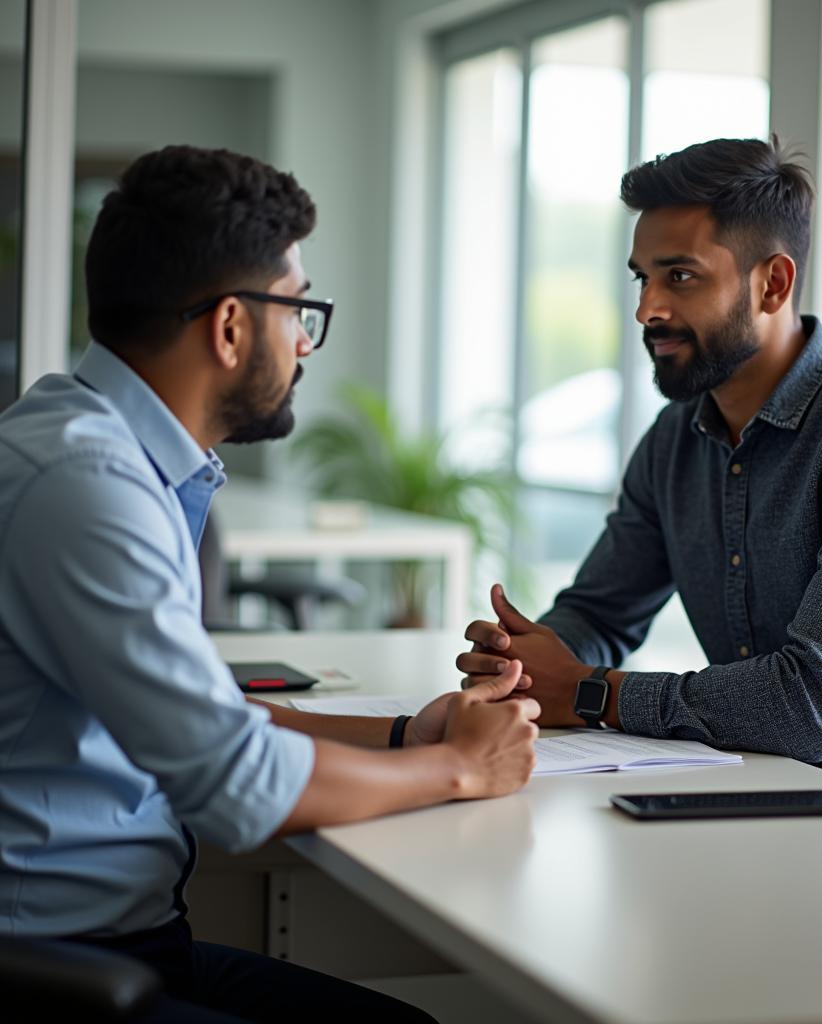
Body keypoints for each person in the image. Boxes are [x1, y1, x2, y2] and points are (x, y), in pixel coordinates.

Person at [0, 145, 539, 1023]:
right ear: (229, 327)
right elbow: (236, 787)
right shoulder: (84, 483)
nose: (306, 344)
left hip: (121, 939)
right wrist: (459, 767)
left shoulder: (103, 450)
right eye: (300, 312)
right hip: (57, 970)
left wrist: (408, 733)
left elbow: (206, 712)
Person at [458, 135, 822, 809]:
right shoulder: (676, 436)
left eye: (681, 276)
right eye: (642, 278)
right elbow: (600, 608)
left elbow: (811, 704)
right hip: (771, 790)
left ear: (772, 283)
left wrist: (584, 690)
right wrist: (523, 666)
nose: (647, 310)